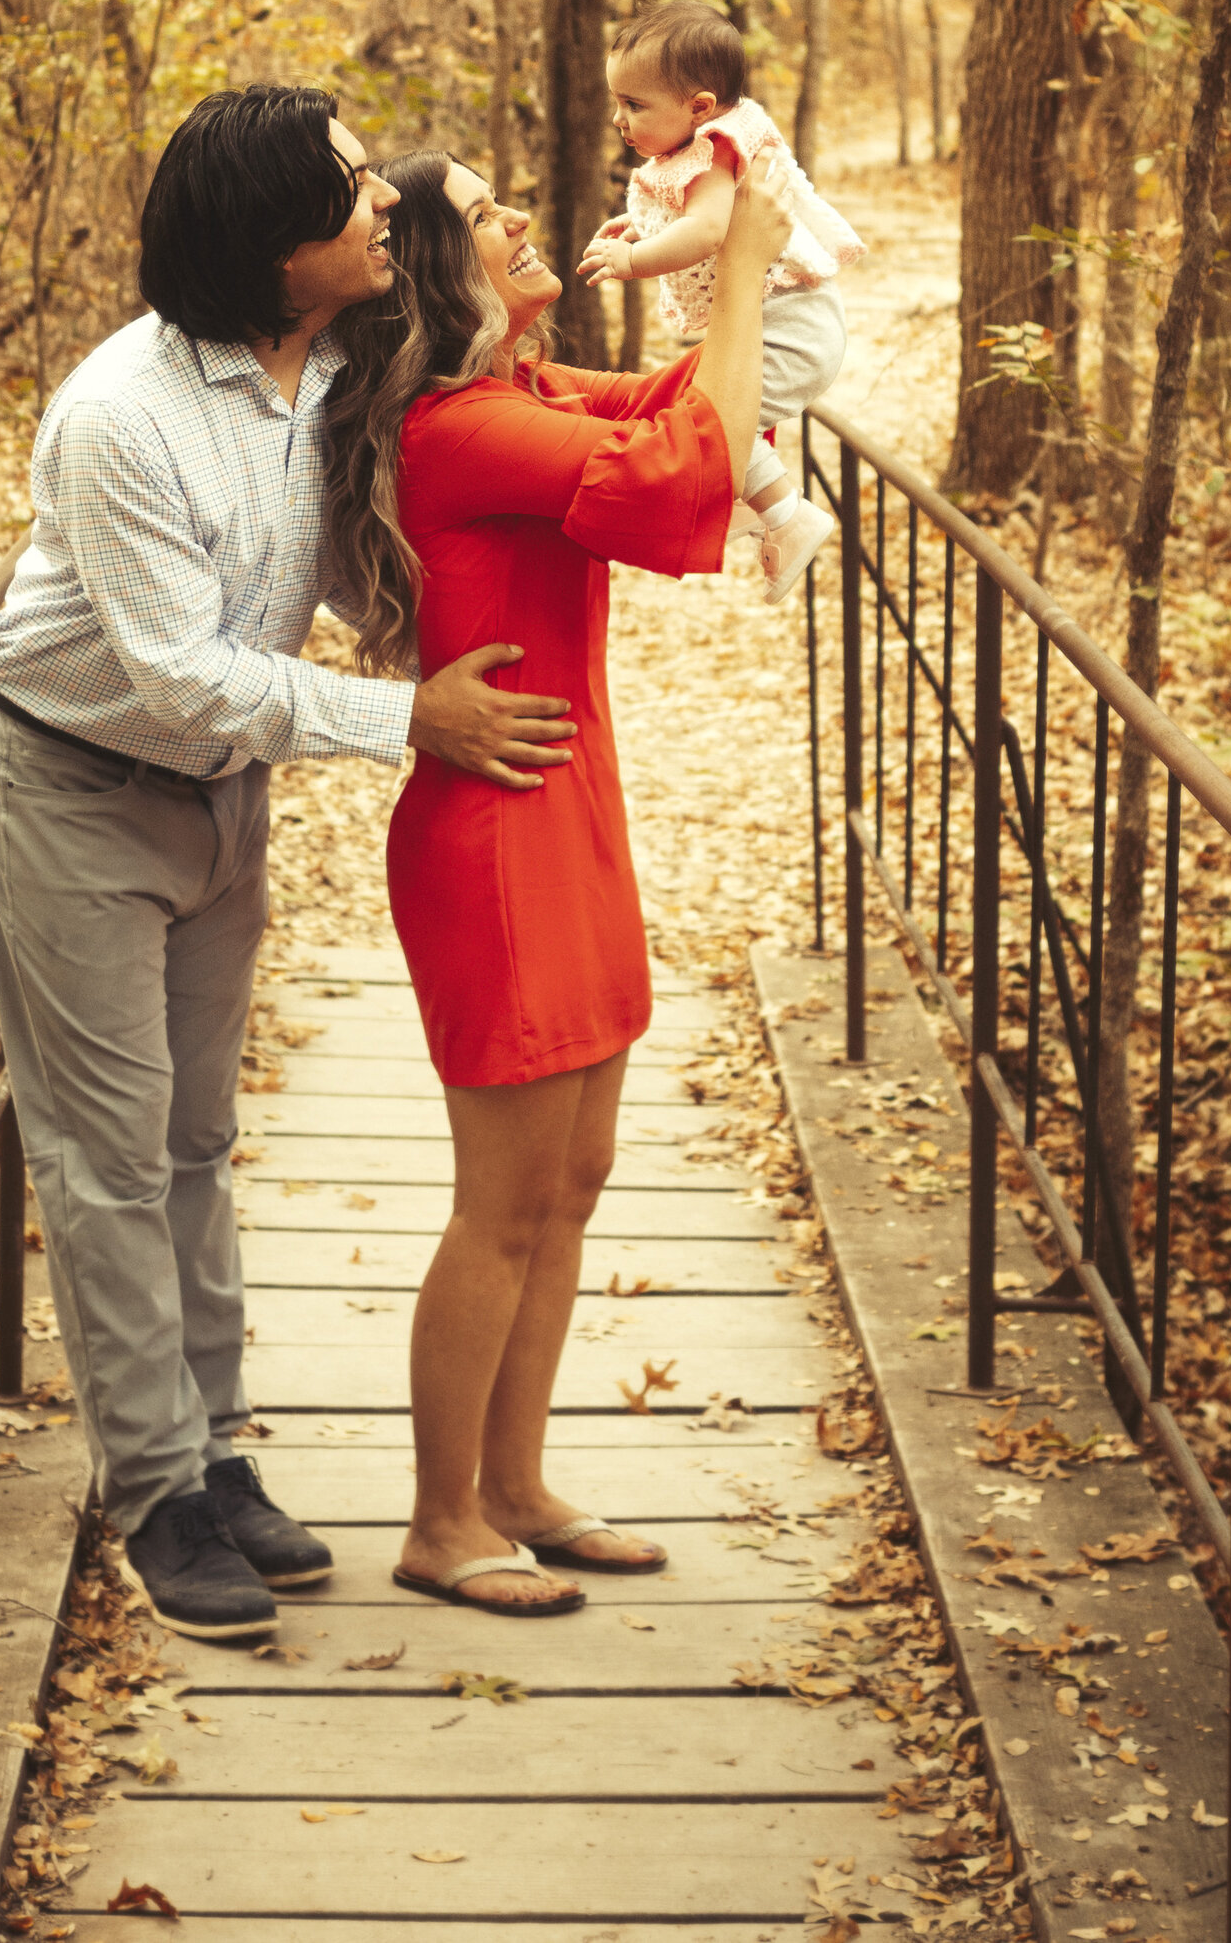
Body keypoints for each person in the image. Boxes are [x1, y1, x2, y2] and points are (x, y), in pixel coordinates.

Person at [0, 87, 577, 1645]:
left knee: (195, 1138)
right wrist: (408, 717)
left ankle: (218, 1454)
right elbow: (176, 675)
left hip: (223, 798)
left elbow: (479, 396)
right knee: (104, 1158)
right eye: (356, 190)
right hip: (76, 790)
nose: (387, 204)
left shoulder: (345, 358)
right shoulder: (121, 417)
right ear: (275, 243)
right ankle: (156, 1493)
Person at [322, 147, 793, 1613]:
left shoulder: (521, 393)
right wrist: (738, 267)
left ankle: (519, 1484)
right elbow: (688, 473)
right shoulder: (456, 425)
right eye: (477, 218)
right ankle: (441, 1520)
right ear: (429, 277)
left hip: (571, 805)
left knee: (573, 1180)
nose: (515, 218)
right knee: (505, 1198)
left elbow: (680, 415)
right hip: (498, 835)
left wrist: (730, 285)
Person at [576, 0, 862, 601]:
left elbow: (707, 231)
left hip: (792, 325)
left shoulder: (712, 151)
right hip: (788, 320)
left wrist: (633, 262)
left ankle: (785, 516)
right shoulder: (705, 146)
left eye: (633, 105)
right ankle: (746, 499)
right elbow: (697, 224)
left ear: (699, 106)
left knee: (714, 424)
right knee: (706, 419)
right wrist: (640, 233)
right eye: (616, 103)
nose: (617, 120)